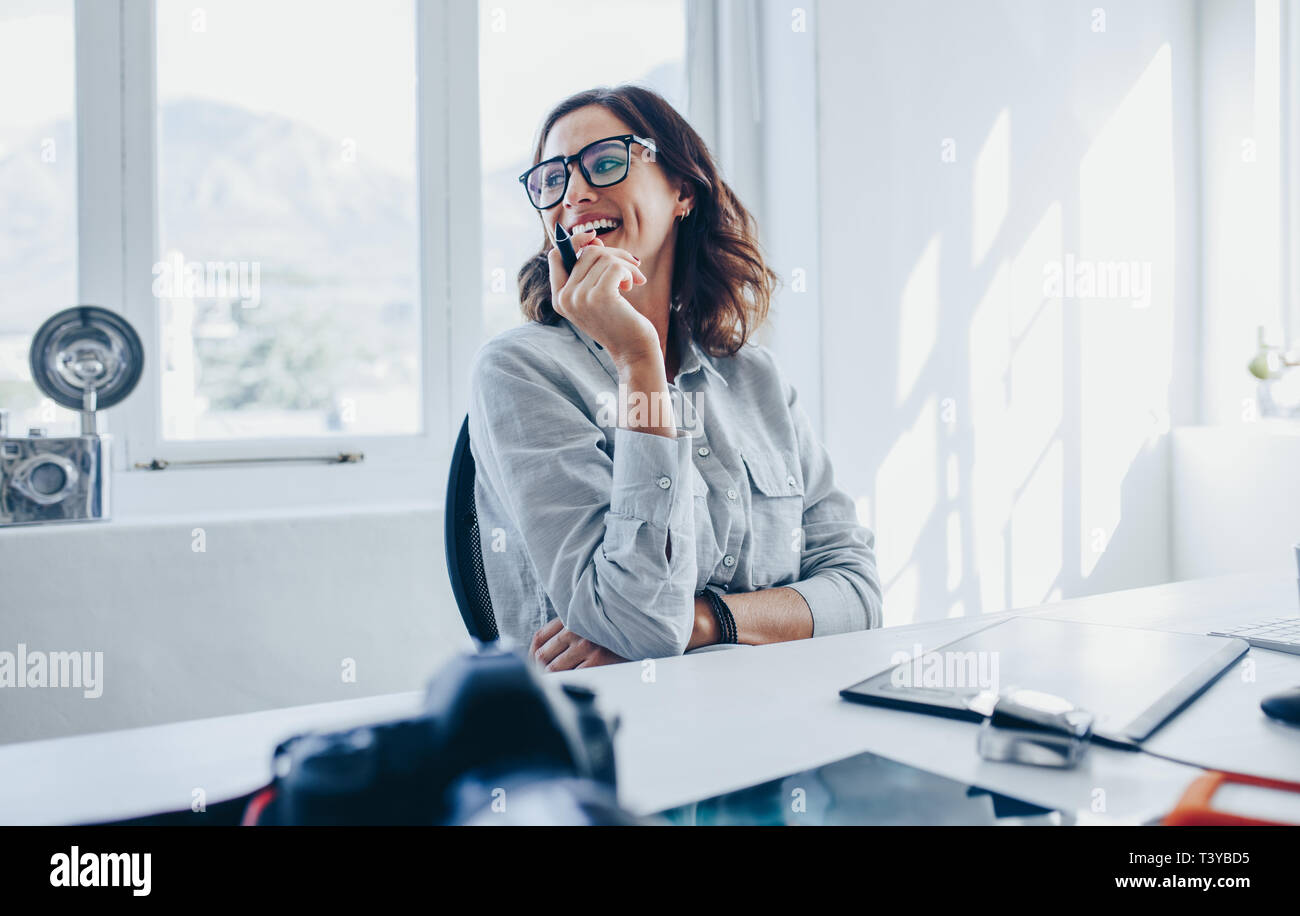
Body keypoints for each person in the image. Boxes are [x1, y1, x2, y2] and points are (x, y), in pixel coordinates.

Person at [469, 85, 881, 670]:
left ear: (682, 189)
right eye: (552, 180)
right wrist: (637, 361)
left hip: (772, 714)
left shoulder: (756, 379)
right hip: (604, 735)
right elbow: (639, 624)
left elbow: (859, 595)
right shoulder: (519, 371)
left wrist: (705, 622)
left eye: (606, 162)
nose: (576, 194)